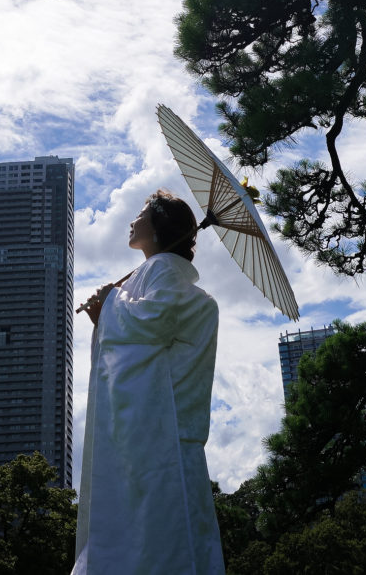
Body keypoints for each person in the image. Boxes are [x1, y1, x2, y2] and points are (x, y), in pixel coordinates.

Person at [72, 190, 225, 575]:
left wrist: (111, 303)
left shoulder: (163, 273)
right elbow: (143, 332)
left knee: (153, 538)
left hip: (159, 439)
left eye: (141, 214)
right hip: (165, 436)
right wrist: (107, 314)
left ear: (157, 227)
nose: (132, 220)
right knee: (168, 539)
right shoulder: (160, 276)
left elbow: (154, 322)